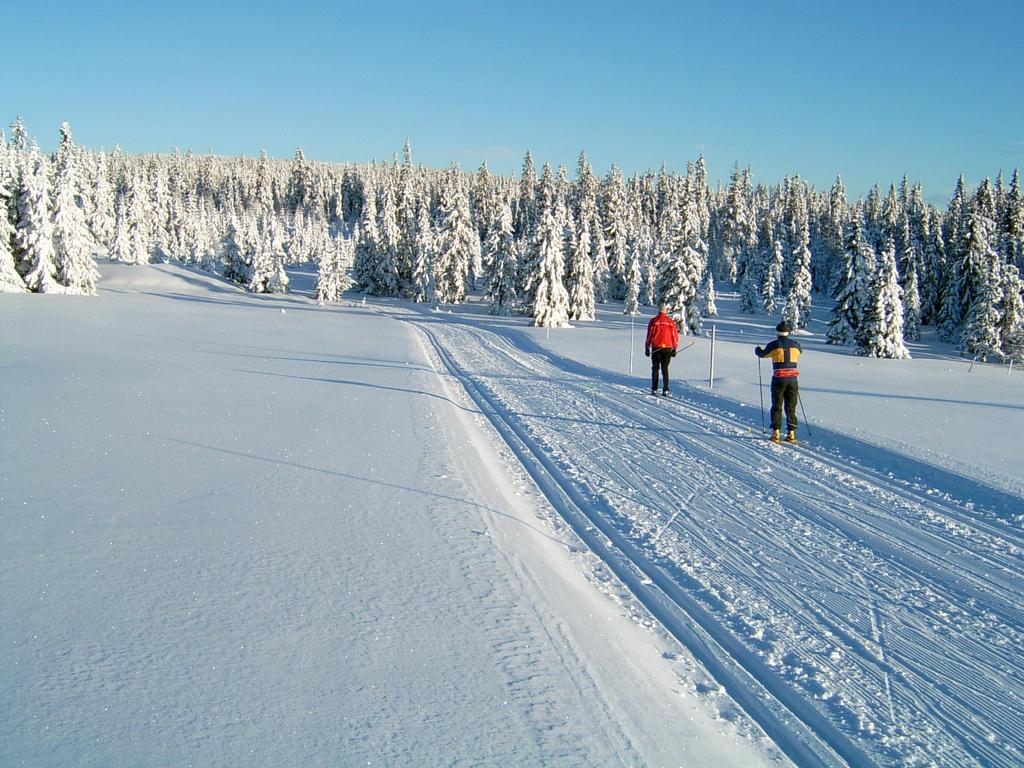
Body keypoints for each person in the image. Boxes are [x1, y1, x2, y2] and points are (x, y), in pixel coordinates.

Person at [755, 321, 802, 443]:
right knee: (791, 407)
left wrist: (757, 349)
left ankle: (776, 434)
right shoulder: (796, 346)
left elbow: (762, 354)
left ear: (777, 333)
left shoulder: (774, 345)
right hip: (793, 380)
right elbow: (800, 353)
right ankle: (791, 434)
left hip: (779, 379)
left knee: (777, 406)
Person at [644, 304, 679, 396]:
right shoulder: (670, 322)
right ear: (666, 311)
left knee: (655, 368)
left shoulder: (654, 321)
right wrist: (674, 348)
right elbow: (674, 336)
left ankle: (654, 389)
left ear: (659, 311)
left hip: (656, 348)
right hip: (667, 348)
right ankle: (665, 389)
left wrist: (647, 347)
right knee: (665, 369)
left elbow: (649, 335)